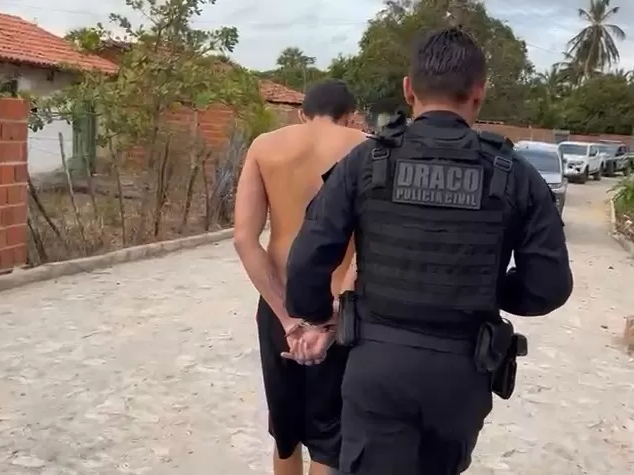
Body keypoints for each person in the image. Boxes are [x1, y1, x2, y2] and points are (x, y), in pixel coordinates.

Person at [282, 27, 573, 475]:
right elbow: (549, 286)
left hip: (377, 366)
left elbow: (306, 263)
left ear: (408, 89)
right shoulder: (515, 174)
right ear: (479, 92)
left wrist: (320, 316)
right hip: (461, 373)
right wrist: (486, 288)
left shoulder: (366, 162)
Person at [233, 79, 366, 475]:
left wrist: (288, 318)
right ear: (350, 116)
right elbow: (371, 245)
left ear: (301, 113)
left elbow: (244, 239)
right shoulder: (367, 149)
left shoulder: (264, 147)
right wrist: (338, 312)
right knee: (330, 438)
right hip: (341, 310)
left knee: (285, 431)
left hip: (280, 308)